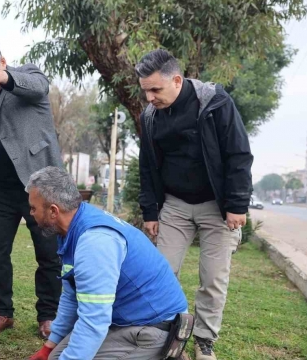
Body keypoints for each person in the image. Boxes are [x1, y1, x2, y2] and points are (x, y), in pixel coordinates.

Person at [136, 49, 253, 360]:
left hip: (218, 206)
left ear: (177, 80)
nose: (149, 97)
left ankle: (204, 341)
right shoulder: (150, 117)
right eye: (145, 90)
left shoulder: (214, 102)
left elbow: (238, 155)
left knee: (213, 279)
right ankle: (162, 336)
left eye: (155, 90)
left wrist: (237, 204)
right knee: (159, 273)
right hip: (174, 205)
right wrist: (150, 211)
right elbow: (146, 167)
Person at [26, 166, 188, 360]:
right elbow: (72, 295)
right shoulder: (74, 227)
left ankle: (163, 353)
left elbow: (94, 321)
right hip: (125, 320)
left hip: (155, 328)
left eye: (33, 208)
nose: (31, 213)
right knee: (56, 356)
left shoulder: (94, 242)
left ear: (53, 211)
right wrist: (48, 348)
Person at [0, 38, 62, 339]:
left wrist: (3, 78)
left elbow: (40, 86)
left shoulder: (26, 76)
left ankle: (48, 316)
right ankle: (2, 312)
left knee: (48, 254)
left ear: (2, 61)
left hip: (38, 186)